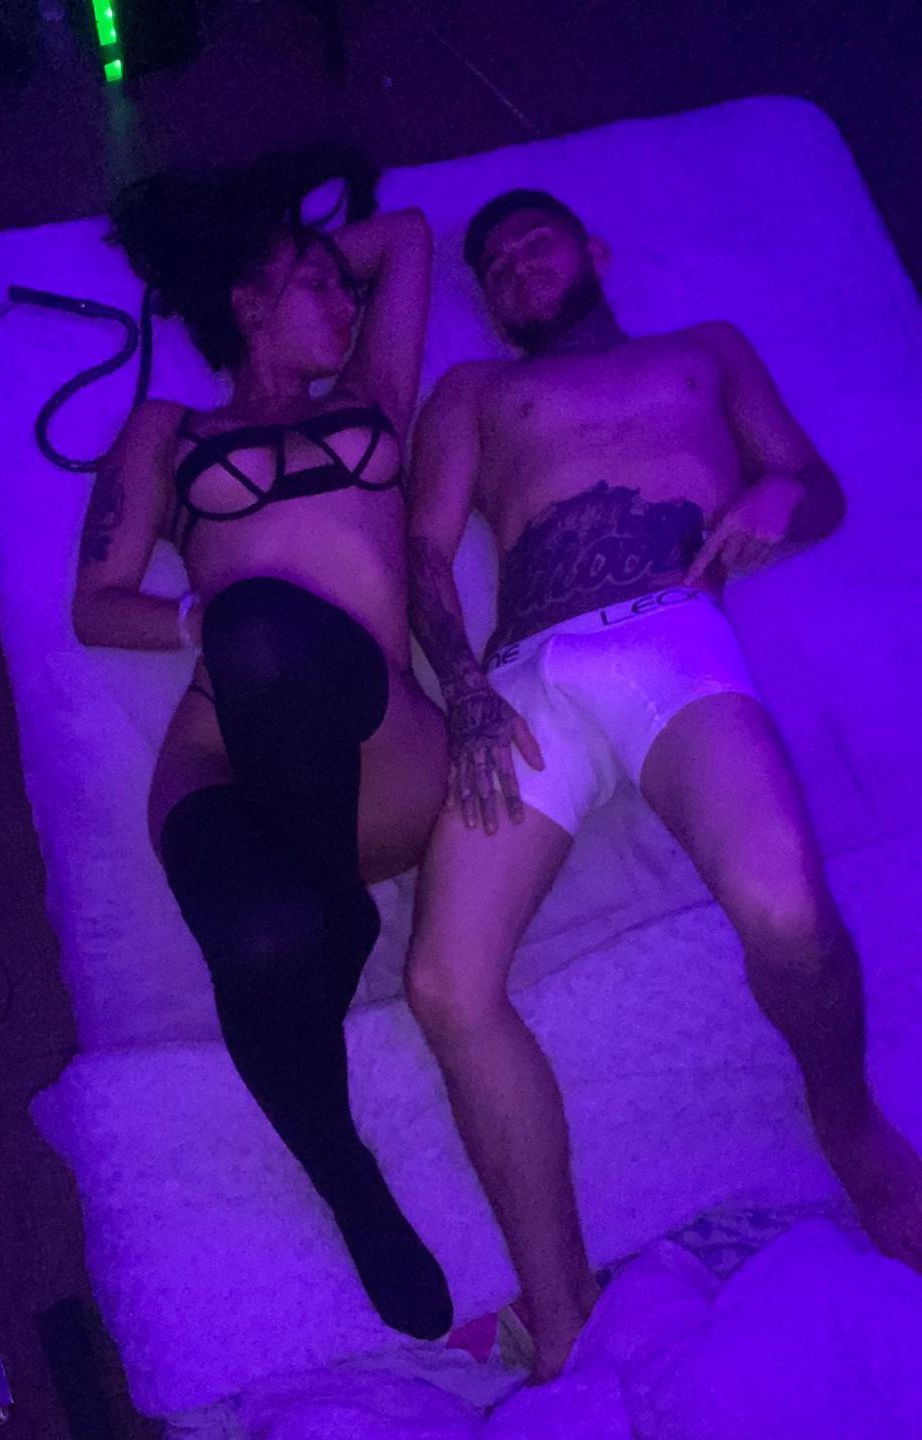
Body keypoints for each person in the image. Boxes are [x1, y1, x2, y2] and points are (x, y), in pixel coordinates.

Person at [404, 187, 922, 1381]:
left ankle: (847, 1123)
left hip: (673, 641)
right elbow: (425, 549)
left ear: (593, 250)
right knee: (443, 985)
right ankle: (561, 1313)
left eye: (534, 242)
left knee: (786, 910)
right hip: (524, 676)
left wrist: (781, 494)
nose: (516, 267)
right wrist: (464, 687)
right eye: (494, 265)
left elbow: (813, 485)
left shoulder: (706, 352)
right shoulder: (475, 392)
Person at [70, 152, 452, 1340]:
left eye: (340, 285)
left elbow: (408, 236)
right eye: (315, 286)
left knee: (268, 631)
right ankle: (346, 1175)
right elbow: (95, 607)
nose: (345, 300)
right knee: (264, 934)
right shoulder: (167, 431)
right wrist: (198, 622)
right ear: (247, 304)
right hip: (222, 744)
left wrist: (271, 232)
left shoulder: (374, 393)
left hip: (375, 752)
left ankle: (337, 897)